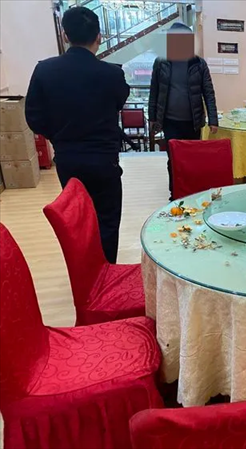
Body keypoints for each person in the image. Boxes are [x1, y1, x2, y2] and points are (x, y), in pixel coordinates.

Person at [26, 6, 130, 264]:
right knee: (107, 221)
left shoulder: (44, 70)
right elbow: (118, 102)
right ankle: (106, 272)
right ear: (99, 37)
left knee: (78, 219)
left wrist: (59, 137)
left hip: (68, 159)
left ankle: (84, 272)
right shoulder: (112, 74)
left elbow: (34, 118)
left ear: (65, 35)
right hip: (104, 160)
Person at [148, 22, 218, 200]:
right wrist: (152, 118)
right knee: (173, 159)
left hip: (193, 122)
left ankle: (192, 193)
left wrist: (213, 119)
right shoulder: (161, 62)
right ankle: (175, 194)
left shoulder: (199, 63)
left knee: (192, 159)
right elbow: (154, 91)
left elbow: (208, 92)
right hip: (170, 121)